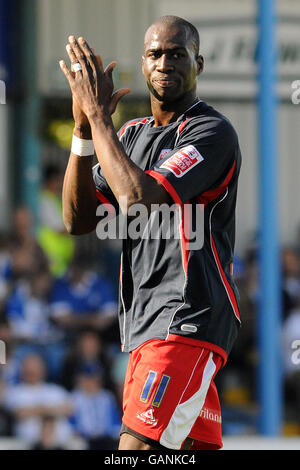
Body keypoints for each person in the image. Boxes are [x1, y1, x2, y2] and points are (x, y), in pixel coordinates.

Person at [59, 15, 242, 450]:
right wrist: (84, 131)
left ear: (198, 63)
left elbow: (139, 200)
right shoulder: (130, 136)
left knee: (135, 449)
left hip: (186, 319)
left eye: (177, 54)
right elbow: (77, 220)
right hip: (145, 327)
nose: (165, 63)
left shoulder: (210, 132)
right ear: (143, 65)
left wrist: (99, 118)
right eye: (155, 54)